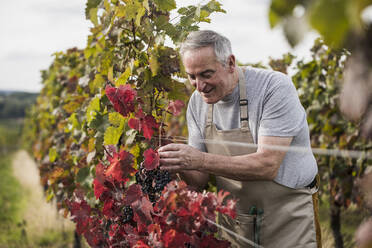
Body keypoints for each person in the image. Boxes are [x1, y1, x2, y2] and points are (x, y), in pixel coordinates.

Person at [158, 30, 321, 248]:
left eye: (206, 74)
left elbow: (267, 165)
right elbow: (200, 179)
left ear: (230, 63)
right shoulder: (197, 103)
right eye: (192, 76)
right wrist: (176, 161)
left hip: (288, 216)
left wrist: (199, 160)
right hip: (236, 219)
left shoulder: (273, 88)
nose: (199, 86)